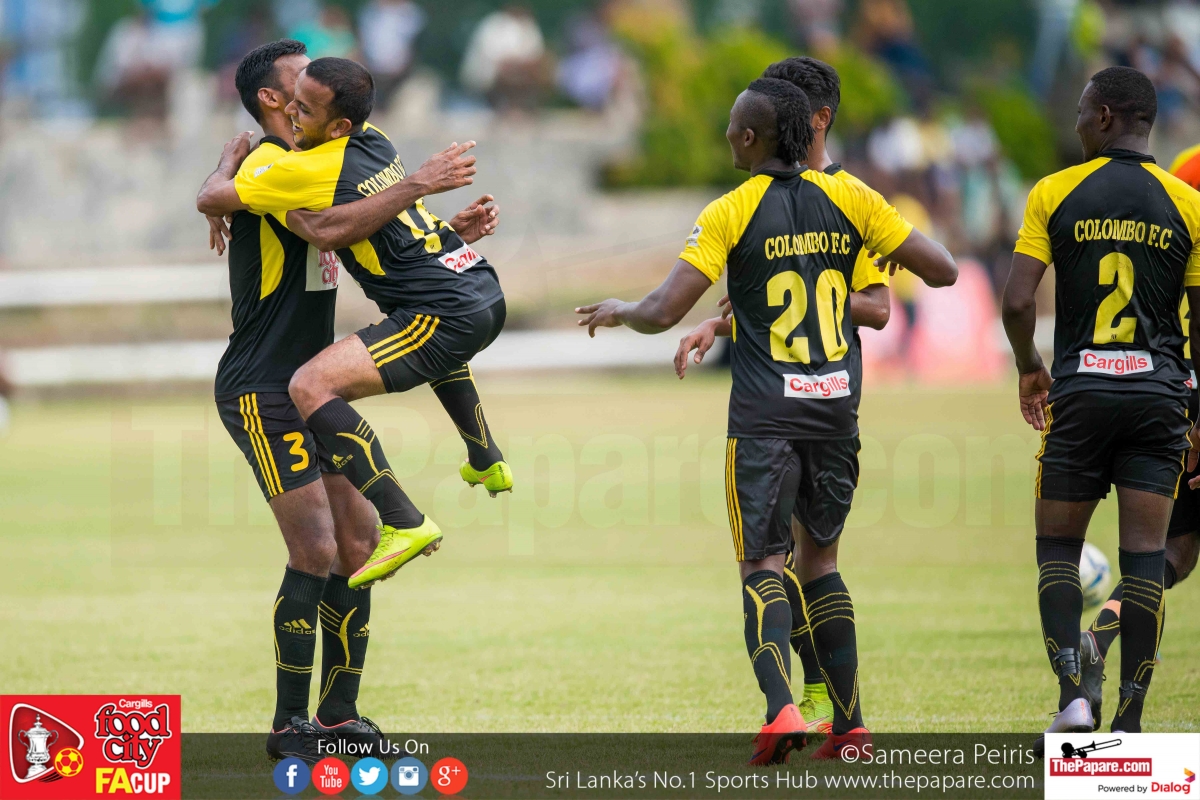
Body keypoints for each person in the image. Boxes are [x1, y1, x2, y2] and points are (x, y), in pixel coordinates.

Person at [577, 77, 956, 764]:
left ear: (750, 138)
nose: (726, 134)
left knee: (762, 563)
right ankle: (851, 728)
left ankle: (782, 708)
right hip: (835, 410)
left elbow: (661, 309)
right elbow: (945, 270)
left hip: (765, 417)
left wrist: (620, 308)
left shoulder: (730, 210)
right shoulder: (852, 197)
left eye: (731, 125)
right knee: (822, 564)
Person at [205, 40, 495, 762]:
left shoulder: (327, 161)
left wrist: (437, 236)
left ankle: (338, 717)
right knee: (316, 549)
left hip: (309, 379)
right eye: (298, 78)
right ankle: (288, 726)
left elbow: (360, 233)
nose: (311, 80)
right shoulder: (272, 165)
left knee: (359, 547)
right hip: (263, 386)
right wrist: (226, 170)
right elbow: (300, 220)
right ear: (274, 100)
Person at [198, 57, 512, 593]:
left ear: (339, 123)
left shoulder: (294, 167)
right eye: (293, 97)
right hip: (474, 283)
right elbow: (385, 222)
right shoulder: (374, 139)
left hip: (445, 308)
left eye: (305, 107)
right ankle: (484, 457)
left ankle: (404, 520)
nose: (294, 111)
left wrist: (228, 167)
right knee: (426, 346)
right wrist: (431, 209)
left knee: (310, 385)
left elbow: (227, 202)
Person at [675, 56, 894, 741]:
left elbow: (878, 307)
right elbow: (784, 296)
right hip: (825, 403)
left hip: (790, 404)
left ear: (814, 118)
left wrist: (794, 293)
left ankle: (804, 705)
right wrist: (727, 319)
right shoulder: (794, 200)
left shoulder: (847, 197)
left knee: (780, 562)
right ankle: (837, 716)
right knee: (806, 563)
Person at [1002, 67, 1200, 742]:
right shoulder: (1186, 204)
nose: (1078, 122)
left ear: (1108, 116)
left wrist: (1030, 367)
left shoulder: (1055, 192)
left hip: (1081, 396)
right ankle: (1130, 719)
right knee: (1146, 557)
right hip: (1158, 398)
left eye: (1084, 111)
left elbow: (1018, 302)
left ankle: (1072, 701)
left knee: (1058, 549)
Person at [1078, 139, 1200, 728]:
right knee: (1164, 552)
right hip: (1179, 389)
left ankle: (1101, 634)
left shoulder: (1180, 174)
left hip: (1175, 381)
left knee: (1174, 550)